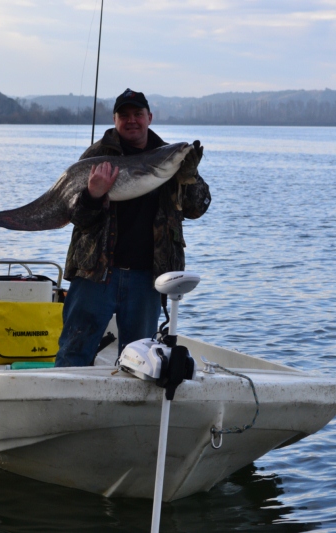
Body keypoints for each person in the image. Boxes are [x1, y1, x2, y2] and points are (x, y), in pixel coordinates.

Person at [55, 88, 211, 367]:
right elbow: (76, 217)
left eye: (138, 114)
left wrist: (190, 178)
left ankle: (128, 409)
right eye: (123, 115)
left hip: (147, 279)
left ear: (149, 117)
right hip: (95, 275)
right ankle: (65, 407)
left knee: (139, 360)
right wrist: (93, 195)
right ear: (114, 120)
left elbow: (197, 209)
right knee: (74, 351)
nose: (131, 120)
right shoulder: (96, 157)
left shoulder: (172, 157)